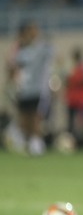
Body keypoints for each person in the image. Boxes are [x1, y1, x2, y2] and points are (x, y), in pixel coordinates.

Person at [7, 21, 54, 155]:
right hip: (23, 90)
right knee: (24, 119)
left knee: (35, 118)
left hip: (37, 90)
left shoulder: (42, 48)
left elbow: (51, 53)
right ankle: (27, 143)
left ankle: (36, 144)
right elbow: (12, 66)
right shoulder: (21, 50)